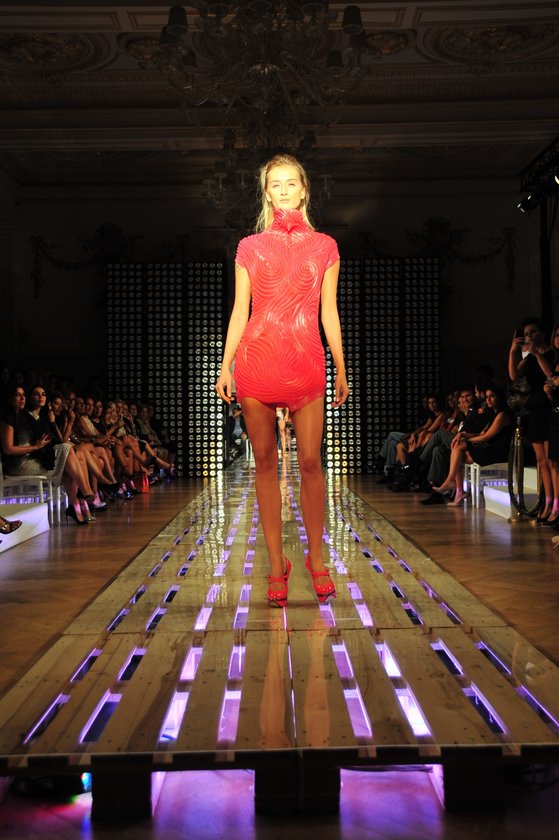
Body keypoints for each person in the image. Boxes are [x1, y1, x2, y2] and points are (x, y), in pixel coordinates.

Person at [215, 153, 349, 608]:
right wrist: (225, 364)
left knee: (310, 462)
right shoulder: (249, 247)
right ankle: (276, 565)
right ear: (267, 193)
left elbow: (328, 311)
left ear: (304, 189)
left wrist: (341, 366)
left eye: (292, 182)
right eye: (276, 184)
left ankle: (316, 558)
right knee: (265, 465)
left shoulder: (326, 246)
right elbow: (240, 310)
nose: (285, 190)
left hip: (307, 359)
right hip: (257, 360)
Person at [433, 387, 513, 505]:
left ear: (499, 397)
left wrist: (467, 439)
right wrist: (462, 434)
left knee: (459, 449)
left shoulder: (502, 415)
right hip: (489, 447)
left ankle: (453, 484)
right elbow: (481, 434)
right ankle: (458, 490)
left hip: (498, 451)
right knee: (458, 451)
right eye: (487, 397)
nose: (488, 400)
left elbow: (486, 437)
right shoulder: (493, 414)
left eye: (492, 396)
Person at [508, 317, 554, 521]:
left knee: (551, 460)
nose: (530, 336)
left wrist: (537, 354)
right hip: (535, 407)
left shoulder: (552, 353)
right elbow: (513, 376)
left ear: (542, 333)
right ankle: (546, 503)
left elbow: (551, 375)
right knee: (541, 460)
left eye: (533, 332)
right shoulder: (528, 358)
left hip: (549, 406)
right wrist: (513, 351)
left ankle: (554, 504)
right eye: (526, 334)